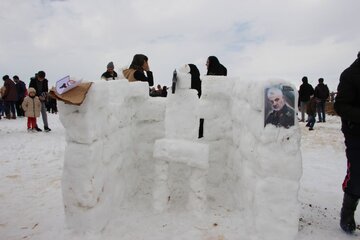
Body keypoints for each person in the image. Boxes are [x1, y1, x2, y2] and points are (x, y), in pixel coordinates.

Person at [334, 51, 360, 234]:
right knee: (358, 174)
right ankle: (347, 212)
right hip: (357, 133)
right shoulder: (351, 74)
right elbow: (340, 105)